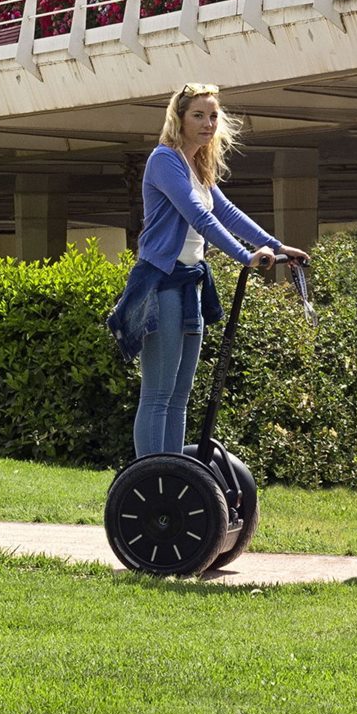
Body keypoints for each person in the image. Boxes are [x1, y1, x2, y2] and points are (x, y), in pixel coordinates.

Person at [124, 84, 307, 460]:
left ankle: (173, 476)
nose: (208, 123)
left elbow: (226, 212)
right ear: (179, 118)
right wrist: (244, 256)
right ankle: (149, 477)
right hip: (161, 281)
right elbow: (198, 215)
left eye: (213, 116)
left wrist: (275, 246)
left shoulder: (197, 165)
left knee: (180, 395)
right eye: (198, 115)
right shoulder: (164, 160)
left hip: (190, 281)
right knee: (158, 393)